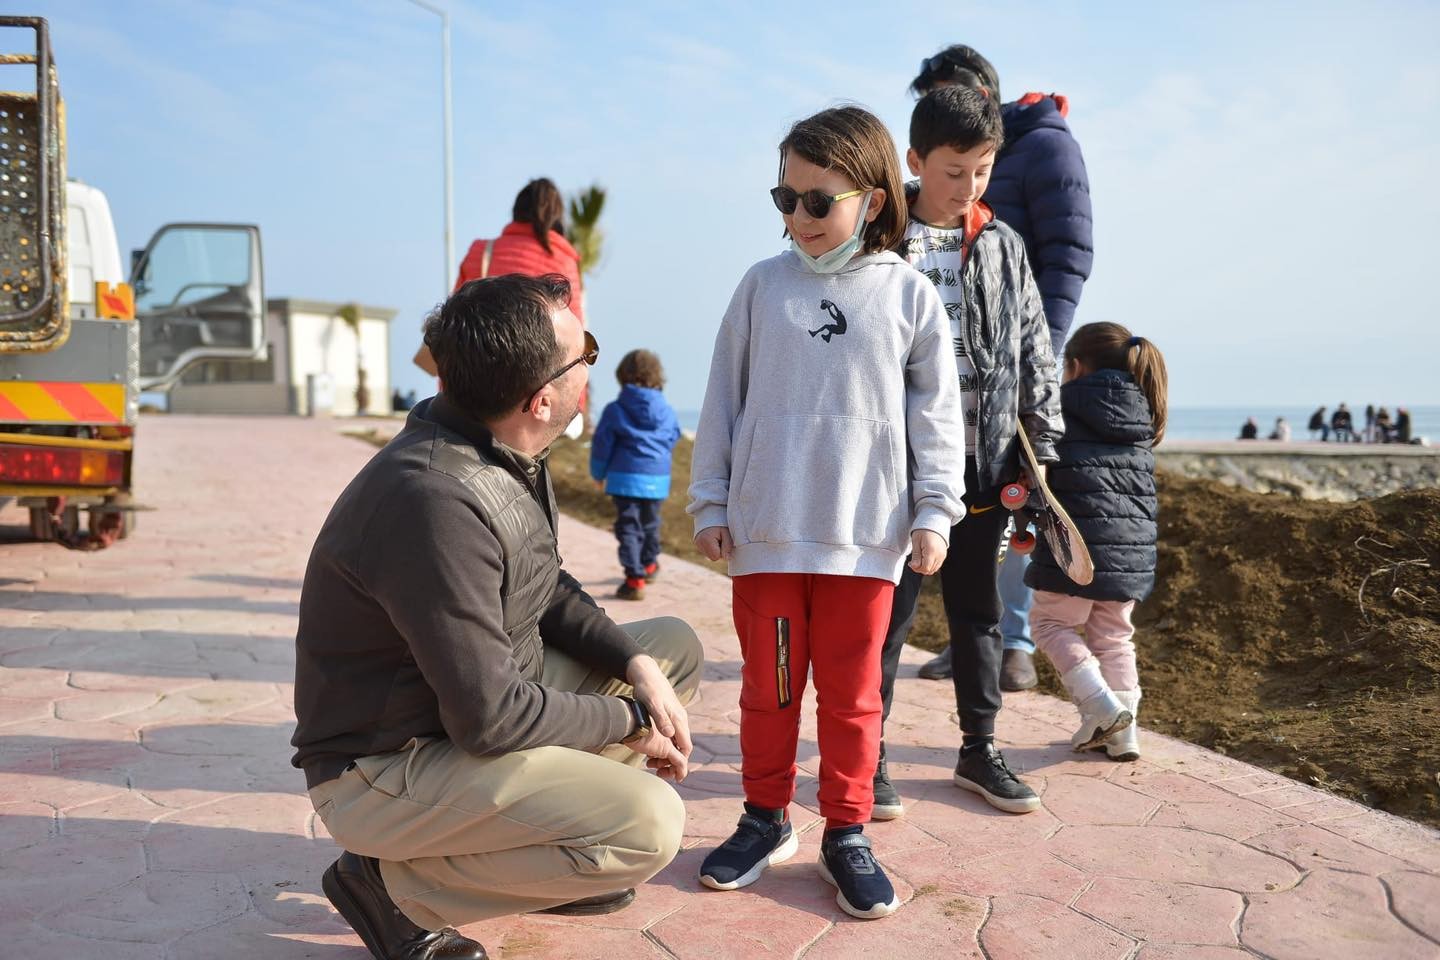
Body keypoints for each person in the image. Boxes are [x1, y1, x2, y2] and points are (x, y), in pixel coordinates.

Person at [293, 274, 703, 960]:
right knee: (648, 826)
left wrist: (636, 670)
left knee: (669, 651)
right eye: (586, 356)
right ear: (542, 399)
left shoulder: (494, 445)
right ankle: (391, 890)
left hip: (458, 718)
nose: (591, 372)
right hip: (383, 770)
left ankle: (540, 846)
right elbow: (492, 720)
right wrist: (629, 721)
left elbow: (544, 585)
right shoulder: (433, 501)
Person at [687, 106, 966, 920]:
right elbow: (722, 401)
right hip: (767, 539)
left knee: (852, 696)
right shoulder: (760, 287)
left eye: (818, 201)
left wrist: (935, 512)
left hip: (866, 540)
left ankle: (846, 830)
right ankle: (764, 818)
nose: (797, 217)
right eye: (785, 198)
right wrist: (710, 499)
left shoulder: (910, 296)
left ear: (873, 200)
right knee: (770, 691)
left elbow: (935, 418)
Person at [875, 86, 1063, 820]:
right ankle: (873, 753)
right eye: (955, 171)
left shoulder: (1004, 245)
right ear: (916, 161)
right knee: (887, 618)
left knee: (978, 614)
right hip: (895, 474)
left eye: (983, 170)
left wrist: (1040, 455)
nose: (969, 187)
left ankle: (979, 749)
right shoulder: (880, 244)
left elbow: (1033, 351)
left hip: (984, 469)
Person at [909, 44, 1093, 692]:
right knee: (953, 524)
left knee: (1013, 507)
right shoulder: (926, 196)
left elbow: (1069, 251)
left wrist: (1034, 355)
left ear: (983, 91)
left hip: (1013, 361)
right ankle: (973, 646)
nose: (967, 183)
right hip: (956, 373)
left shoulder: (1045, 145)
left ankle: (1011, 644)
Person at [1026, 322, 1167, 763]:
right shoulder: (1143, 413)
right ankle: (1125, 734)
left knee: (1051, 626)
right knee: (1114, 638)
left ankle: (1102, 709)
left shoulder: (1060, 406)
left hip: (1079, 547)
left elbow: (1044, 471)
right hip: (1133, 552)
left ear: (1074, 365)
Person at [414, 178, 585, 378]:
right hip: (537, 381)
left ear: (516, 212)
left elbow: (454, 320)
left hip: (476, 377)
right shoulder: (564, 260)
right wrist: (575, 401)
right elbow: (576, 339)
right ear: (556, 216)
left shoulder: (482, 252)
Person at [590, 349, 682, 601]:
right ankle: (649, 564)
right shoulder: (667, 410)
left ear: (622, 376)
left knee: (629, 527)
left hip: (624, 479)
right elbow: (674, 436)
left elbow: (602, 445)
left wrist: (598, 473)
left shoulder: (615, 410)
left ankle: (634, 579)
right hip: (657, 478)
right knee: (651, 523)